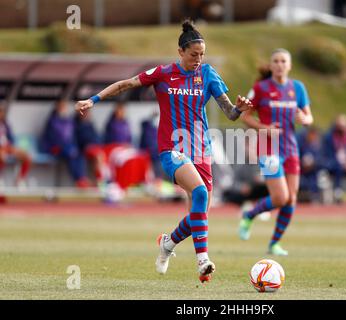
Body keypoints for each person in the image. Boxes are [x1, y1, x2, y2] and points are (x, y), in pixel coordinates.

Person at [75, 19, 252, 282]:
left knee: (199, 215)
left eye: (202, 54)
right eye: (194, 55)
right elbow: (126, 84)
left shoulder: (209, 74)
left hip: (200, 149)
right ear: (180, 52)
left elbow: (230, 113)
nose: (198, 59)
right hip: (172, 149)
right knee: (200, 192)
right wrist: (93, 99)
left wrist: (240, 107)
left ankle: (168, 244)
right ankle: (203, 260)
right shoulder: (163, 73)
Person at [238, 48, 314, 256]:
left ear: (289, 66)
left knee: (292, 199)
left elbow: (309, 117)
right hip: (268, 148)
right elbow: (245, 116)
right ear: (271, 66)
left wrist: (304, 120)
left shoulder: (297, 88)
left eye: (283, 61)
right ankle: (250, 214)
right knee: (280, 197)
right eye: (276, 61)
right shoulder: (261, 88)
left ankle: (274, 244)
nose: (280, 64)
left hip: (290, 149)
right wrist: (265, 128)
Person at [39, 100, 91, 188]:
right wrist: (69, 148)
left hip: (67, 148)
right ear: (57, 109)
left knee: (79, 153)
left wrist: (74, 147)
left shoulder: (69, 121)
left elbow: (73, 137)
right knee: (71, 153)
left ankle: (82, 178)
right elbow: (54, 139)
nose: (64, 110)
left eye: (64, 108)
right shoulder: (53, 121)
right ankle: (79, 180)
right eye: (61, 108)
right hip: (54, 147)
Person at [0, 103, 31, 187]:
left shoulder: (5, 124)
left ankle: (20, 180)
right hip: (1, 149)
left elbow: (11, 138)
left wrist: (12, 147)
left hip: (7, 147)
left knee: (26, 155)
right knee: (1, 156)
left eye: (1, 112)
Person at [297, 126, 322, 203]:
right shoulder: (300, 142)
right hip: (266, 136)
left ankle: (313, 195)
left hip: (311, 170)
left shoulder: (316, 145)